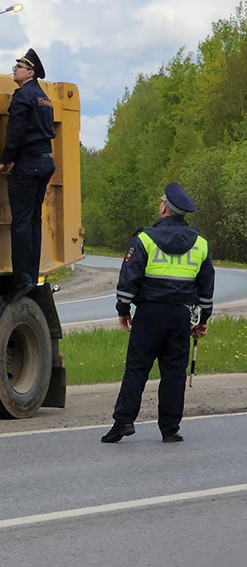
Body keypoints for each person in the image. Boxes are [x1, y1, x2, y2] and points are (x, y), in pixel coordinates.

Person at [101, 183, 214, 443]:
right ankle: (170, 430)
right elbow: (206, 287)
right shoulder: (200, 244)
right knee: (174, 372)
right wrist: (202, 320)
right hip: (180, 316)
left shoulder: (145, 239)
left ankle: (124, 421)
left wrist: (123, 309)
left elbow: (128, 279)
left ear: (164, 208)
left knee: (137, 368)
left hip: (149, 313)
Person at [0, 48, 56, 300]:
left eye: (19, 66)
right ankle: (31, 273)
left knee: (21, 222)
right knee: (33, 221)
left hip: (28, 166)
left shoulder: (23, 97)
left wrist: (5, 161)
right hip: (45, 163)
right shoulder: (43, 97)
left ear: (31, 72)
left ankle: (22, 279)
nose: (14, 69)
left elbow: (15, 133)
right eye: (15, 65)